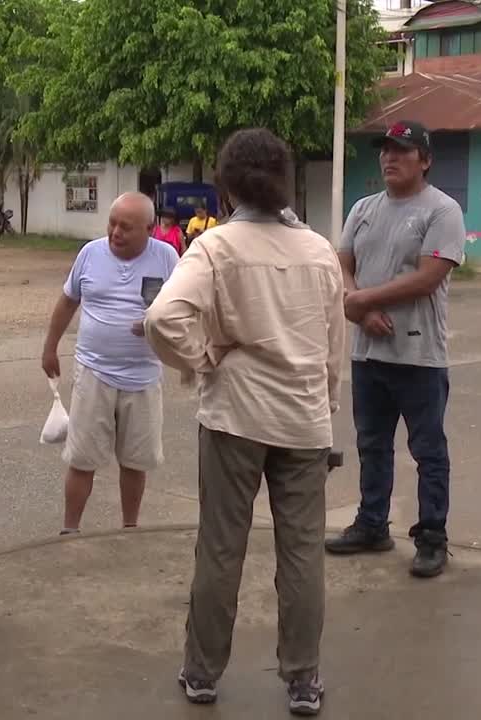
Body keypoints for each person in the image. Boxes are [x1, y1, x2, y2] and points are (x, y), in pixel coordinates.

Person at [144, 128, 346, 717]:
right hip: (304, 419)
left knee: (221, 547)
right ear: (282, 180)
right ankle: (303, 680)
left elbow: (162, 319)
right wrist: (326, 408)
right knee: (303, 552)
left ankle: (202, 674)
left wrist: (204, 356)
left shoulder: (215, 247)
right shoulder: (318, 250)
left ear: (226, 184)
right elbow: (335, 345)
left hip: (235, 415)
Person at [324, 120, 467, 579]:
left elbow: (429, 276)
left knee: (428, 450)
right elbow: (342, 263)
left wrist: (362, 300)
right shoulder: (364, 208)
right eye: (385, 150)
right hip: (369, 353)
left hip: (419, 356)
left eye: (402, 151)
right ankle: (371, 524)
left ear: (424, 160)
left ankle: (431, 538)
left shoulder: (442, 211)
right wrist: (359, 309)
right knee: (372, 445)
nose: (389, 158)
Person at [41, 192, 178, 534]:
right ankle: (69, 531)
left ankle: (129, 529)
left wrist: (156, 324)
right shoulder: (91, 253)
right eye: (112, 223)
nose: (116, 232)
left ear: (149, 229)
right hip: (94, 373)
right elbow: (68, 301)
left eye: (126, 227)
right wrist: (50, 346)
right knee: (81, 459)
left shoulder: (167, 258)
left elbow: (184, 307)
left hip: (144, 378)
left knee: (135, 461)